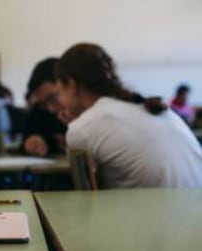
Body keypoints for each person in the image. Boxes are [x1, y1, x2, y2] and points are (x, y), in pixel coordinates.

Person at [56, 43, 202, 188]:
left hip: (155, 211)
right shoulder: (155, 109)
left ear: (71, 83)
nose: (59, 100)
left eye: (59, 91)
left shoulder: (82, 128)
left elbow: (87, 199)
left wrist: (79, 127)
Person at [22, 57, 68, 156]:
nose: (50, 109)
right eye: (43, 104)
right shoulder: (38, 111)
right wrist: (30, 144)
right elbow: (25, 141)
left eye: (53, 98)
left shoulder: (88, 111)